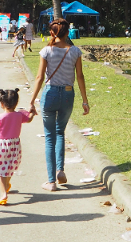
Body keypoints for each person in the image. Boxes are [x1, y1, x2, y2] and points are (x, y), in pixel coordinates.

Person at [28, 19, 89, 191]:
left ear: (53, 33)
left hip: (50, 94)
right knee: (60, 132)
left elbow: (39, 78)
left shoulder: (46, 51)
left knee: (49, 137)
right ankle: (60, 170)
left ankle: (51, 181)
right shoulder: (75, 51)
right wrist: (85, 101)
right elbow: (80, 76)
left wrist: (32, 101)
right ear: (67, 32)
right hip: (69, 94)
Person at [0, 88, 36, 205]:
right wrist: (32, 111)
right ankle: (7, 185)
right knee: (10, 167)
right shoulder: (19, 115)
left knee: (0, 171)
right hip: (14, 146)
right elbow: (30, 119)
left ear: (1, 103)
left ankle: (3, 194)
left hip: (0, 146)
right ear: (16, 103)